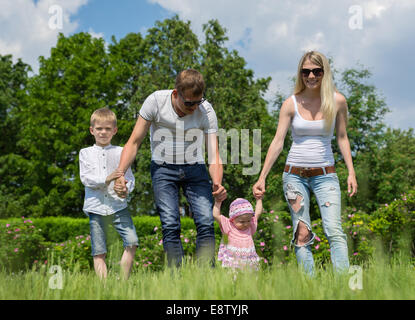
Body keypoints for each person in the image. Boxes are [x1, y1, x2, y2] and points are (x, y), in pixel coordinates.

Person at [253, 51, 358, 275]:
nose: (311, 76)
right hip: (294, 176)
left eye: (317, 71)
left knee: (333, 229)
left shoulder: (337, 101)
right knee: (302, 231)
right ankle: (309, 288)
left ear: (324, 73)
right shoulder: (290, 104)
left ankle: (343, 287)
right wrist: (262, 177)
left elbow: (342, 137)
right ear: (300, 73)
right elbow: (278, 141)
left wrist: (351, 172)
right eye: (306, 71)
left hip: (325, 174)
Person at [110, 69, 227, 267]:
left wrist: (217, 182)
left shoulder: (206, 110)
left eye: (198, 102)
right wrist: (120, 173)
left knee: (206, 222)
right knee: (171, 224)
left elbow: (214, 154)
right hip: (163, 169)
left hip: (195, 167)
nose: (194, 107)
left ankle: (205, 276)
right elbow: (134, 142)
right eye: (189, 102)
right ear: (176, 93)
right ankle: (176, 277)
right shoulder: (156, 101)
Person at [79, 107, 138, 279]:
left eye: (107, 128)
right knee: (99, 252)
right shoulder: (85, 153)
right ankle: (104, 289)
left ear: (114, 130)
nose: (103, 132)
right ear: (92, 130)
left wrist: (126, 189)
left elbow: (129, 178)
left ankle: (123, 282)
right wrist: (108, 178)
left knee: (132, 242)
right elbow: (86, 179)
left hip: (118, 206)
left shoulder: (121, 152)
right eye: (99, 128)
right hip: (96, 207)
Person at [213, 197, 263, 271]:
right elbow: (216, 215)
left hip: (248, 261)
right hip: (233, 262)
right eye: (242, 222)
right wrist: (218, 202)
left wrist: (259, 199)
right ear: (233, 219)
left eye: (248, 220)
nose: (246, 224)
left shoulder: (250, 226)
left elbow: (258, 212)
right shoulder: (229, 226)